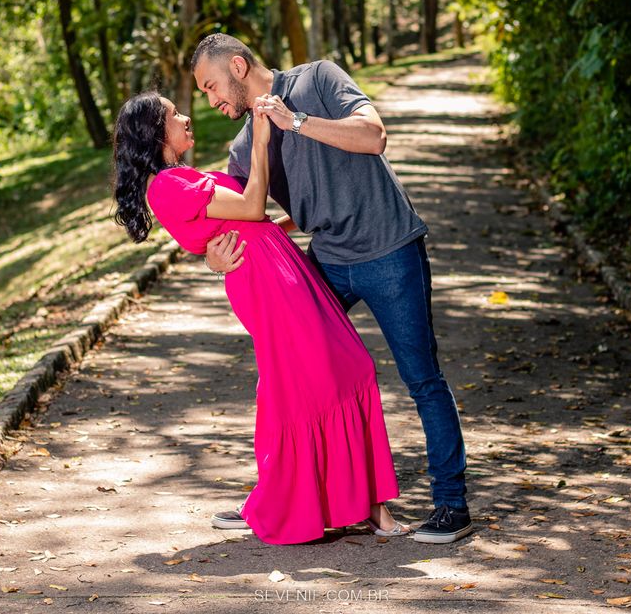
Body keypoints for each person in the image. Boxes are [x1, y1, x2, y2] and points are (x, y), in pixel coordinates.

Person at [194, 33, 472, 544]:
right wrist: (213, 256)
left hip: (391, 250)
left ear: (238, 66)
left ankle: (451, 505)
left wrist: (294, 121)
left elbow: (374, 136)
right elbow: (233, 215)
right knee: (283, 371)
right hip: (326, 261)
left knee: (422, 378)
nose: (212, 102)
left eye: (212, 87)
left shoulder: (319, 78)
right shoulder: (242, 147)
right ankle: (275, 501)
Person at [111, 90, 407, 545]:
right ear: (155, 132)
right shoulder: (167, 186)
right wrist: (263, 140)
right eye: (175, 115)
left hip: (285, 272)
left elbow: (252, 221)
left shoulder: (183, 177)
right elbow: (251, 206)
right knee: (321, 381)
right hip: (268, 286)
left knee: (340, 373)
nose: (186, 117)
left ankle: (351, 502)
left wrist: (310, 220)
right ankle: (331, 505)